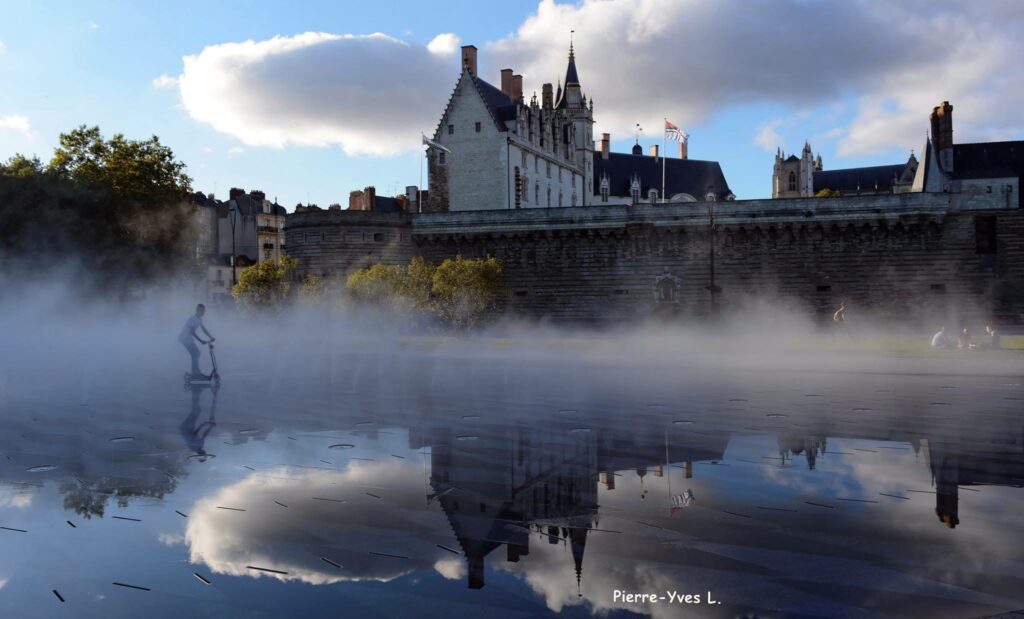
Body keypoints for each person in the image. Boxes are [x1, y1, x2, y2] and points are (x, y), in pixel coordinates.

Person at [179, 304, 215, 378]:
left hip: (188, 339)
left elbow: (204, 330)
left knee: (196, 354)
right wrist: (201, 341)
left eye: (204, 311)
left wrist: (211, 337)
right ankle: (196, 374)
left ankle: (196, 373)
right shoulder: (192, 318)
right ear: (198, 310)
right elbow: (192, 332)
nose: (203, 313)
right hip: (184, 338)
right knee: (196, 354)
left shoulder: (199, 320)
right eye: (202, 311)